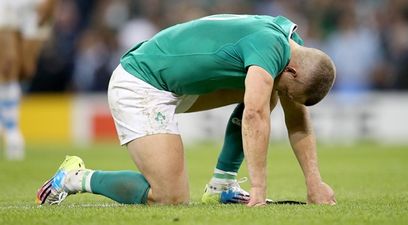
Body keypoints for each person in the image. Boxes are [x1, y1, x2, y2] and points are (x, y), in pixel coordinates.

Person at [36, 14, 336, 206]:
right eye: (289, 91)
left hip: (176, 84)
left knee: (264, 89)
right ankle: (75, 177)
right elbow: (254, 115)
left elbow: (296, 116)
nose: (286, 96)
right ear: (294, 72)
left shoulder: (289, 43)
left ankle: (222, 186)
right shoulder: (271, 49)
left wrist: (315, 183)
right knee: (169, 197)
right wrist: (259, 187)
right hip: (141, 82)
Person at [0, 0, 55, 160]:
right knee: (9, 62)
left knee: (26, 69)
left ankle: (5, 113)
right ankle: (12, 131)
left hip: (36, 5)